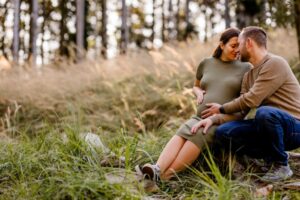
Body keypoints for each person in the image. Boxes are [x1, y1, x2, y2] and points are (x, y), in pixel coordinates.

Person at [136, 28, 251, 181]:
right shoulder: (206, 63)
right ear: (222, 45)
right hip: (199, 115)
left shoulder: (245, 67)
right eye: (233, 45)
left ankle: (166, 176)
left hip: (223, 118)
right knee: (183, 131)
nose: (237, 50)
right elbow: (196, 86)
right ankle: (158, 169)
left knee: (199, 132)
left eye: (239, 46)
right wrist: (197, 92)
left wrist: (220, 114)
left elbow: (245, 101)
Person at [201, 26, 300, 182]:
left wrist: (221, 107)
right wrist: (214, 118)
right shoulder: (248, 76)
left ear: (248, 43)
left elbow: (252, 99)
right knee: (224, 132)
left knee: (265, 113)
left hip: (294, 127)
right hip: (269, 126)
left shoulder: (275, 63)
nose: (237, 50)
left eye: (238, 44)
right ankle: (269, 158)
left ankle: (281, 165)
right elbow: (241, 112)